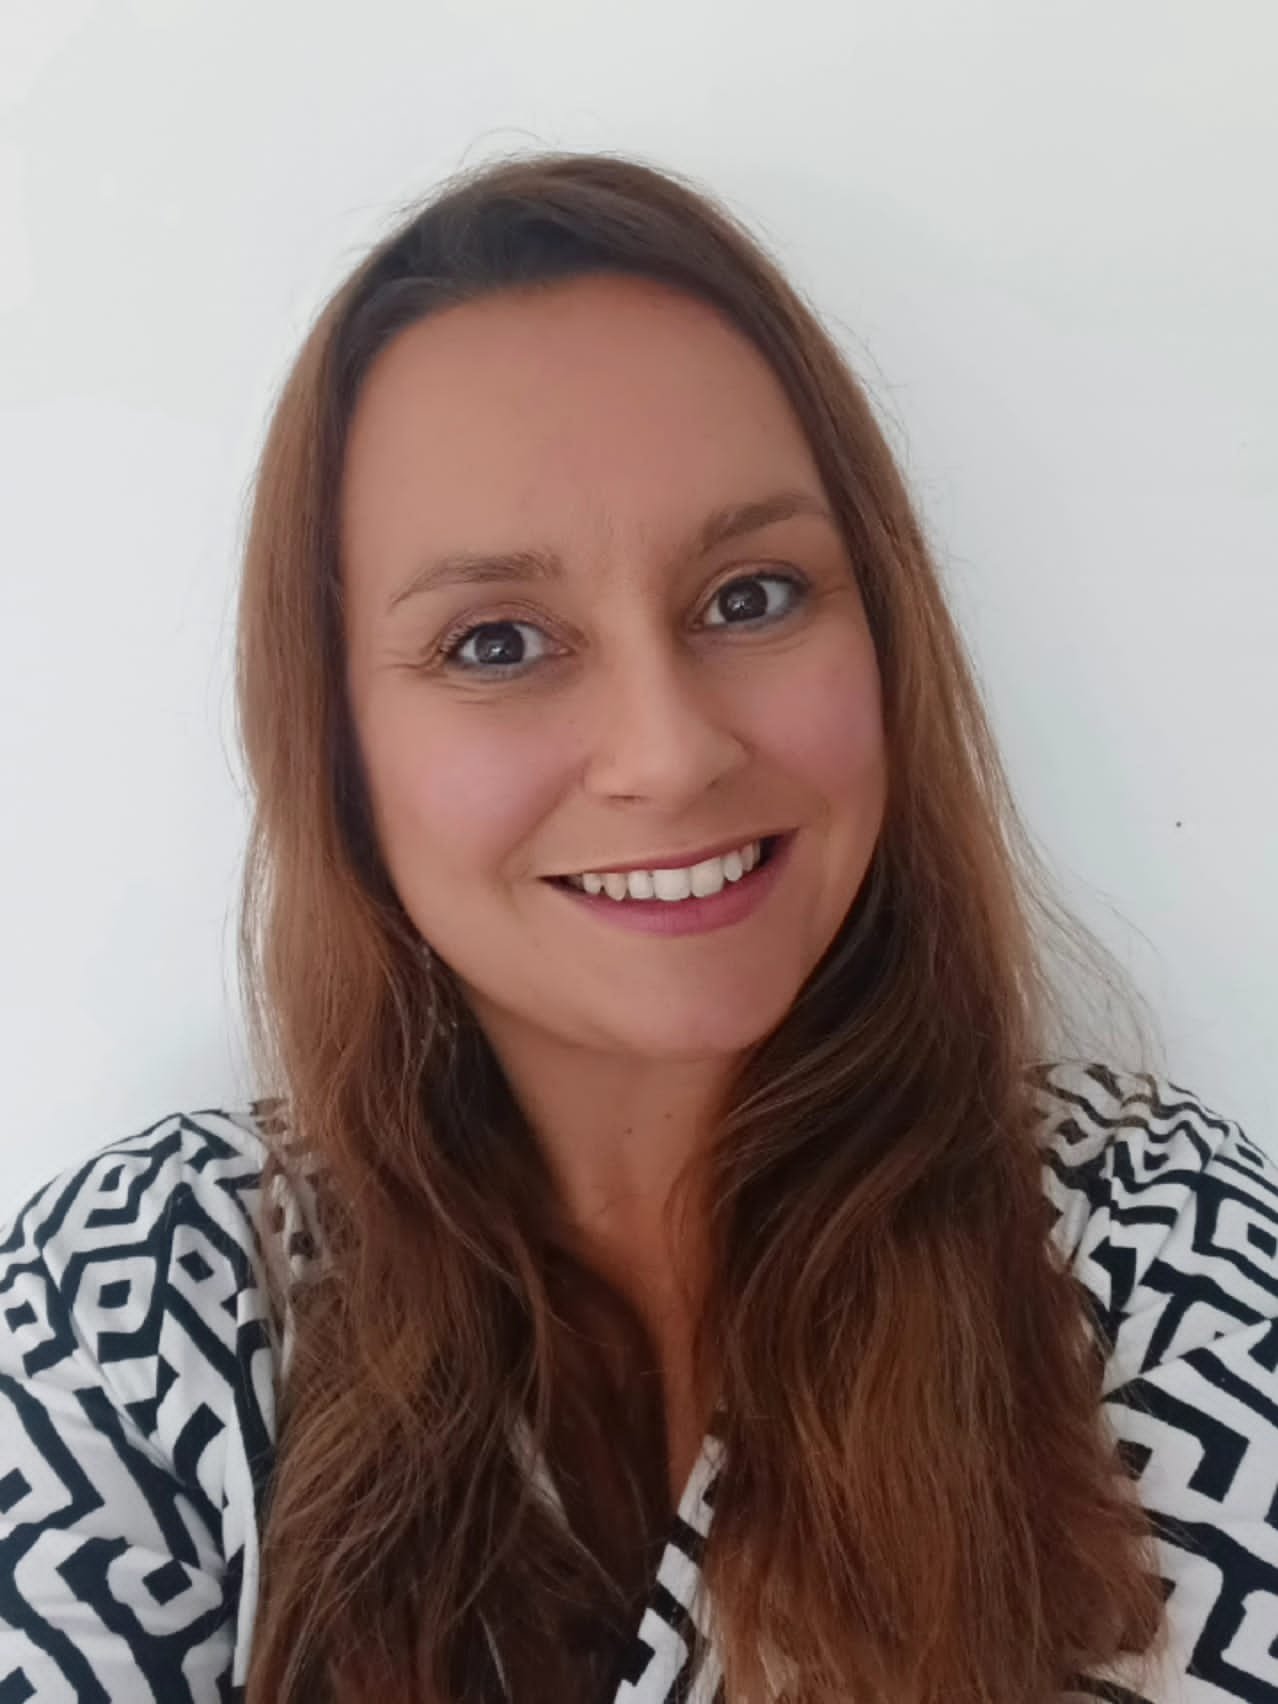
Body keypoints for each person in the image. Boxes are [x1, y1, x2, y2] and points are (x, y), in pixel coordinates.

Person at [1, 150, 1275, 1704]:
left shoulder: (1156, 1249)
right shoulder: (143, 1303)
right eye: (497, 641)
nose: (667, 753)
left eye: (750, 597)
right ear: (336, 745)